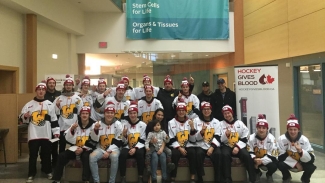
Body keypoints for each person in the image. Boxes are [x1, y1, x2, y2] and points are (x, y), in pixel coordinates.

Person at [19, 82, 60, 183]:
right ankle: (31, 174)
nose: (41, 91)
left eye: (43, 90)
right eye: (39, 90)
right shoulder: (29, 105)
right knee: (33, 155)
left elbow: (54, 120)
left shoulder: (50, 105)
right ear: (36, 91)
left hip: (46, 134)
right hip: (33, 135)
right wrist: (25, 116)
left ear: (45, 91)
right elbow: (20, 118)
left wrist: (56, 132)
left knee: (46, 154)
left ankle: (48, 171)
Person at [52, 106, 95, 183]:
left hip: (87, 149)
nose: (84, 115)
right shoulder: (75, 124)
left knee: (86, 157)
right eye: (83, 114)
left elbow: (94, 141)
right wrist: (71, 130)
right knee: (61, 156)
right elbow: (68, 139)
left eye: (86, 113)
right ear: (80, 115)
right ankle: (57, 179)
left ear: (89, 115)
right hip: (75, 147)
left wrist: (83, 149)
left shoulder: (94, 125)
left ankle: (86, 179)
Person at [219, 105, 256, 183]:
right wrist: (226, 135)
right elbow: (220, 140)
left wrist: (238, 147)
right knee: (224, 155)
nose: (227, 115)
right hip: (226, 145)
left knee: (246, 155)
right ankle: (227, 178)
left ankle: (253, 179)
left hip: (239, 144)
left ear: (232, 113)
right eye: (225, 114)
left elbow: (245, 136)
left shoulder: (239, 123)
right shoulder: (221, 124)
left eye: (228, 113)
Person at [89, 103, 124, 183]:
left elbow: (119, 140)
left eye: (111, 113)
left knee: (114, 157)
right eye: (107, 113)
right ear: (104, 114)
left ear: (114, 114)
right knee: (92, 157)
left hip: (114, 148)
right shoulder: (97, 124)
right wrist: (96, 130)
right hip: (101, 148)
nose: (109, 115)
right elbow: (94, 140)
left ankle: (112, 181)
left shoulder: (118, 124)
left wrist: (108, 151)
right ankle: (96, 181)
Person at [278, 114, 316, 183]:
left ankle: (305, 179)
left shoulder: (304, 140)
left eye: (295, 129)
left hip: (302, 162)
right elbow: (280, 156)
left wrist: (301, 151)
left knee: (311, 167)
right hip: (289, 162)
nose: (292, 132)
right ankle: (286, 177)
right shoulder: (281, 139)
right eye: (290, 129)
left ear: (298, 130)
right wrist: (295, 163)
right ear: (287, 129)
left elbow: (311, 158)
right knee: (279, 164)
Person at [168, 101, 199, 183]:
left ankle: (192, 176)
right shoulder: (171, 122)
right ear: (176, 111)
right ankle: (173, 177)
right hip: (176, 145)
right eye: (179, 110)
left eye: (183, 110)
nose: (181, 112)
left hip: (188, 144)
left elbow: (193, 140)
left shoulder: (191, 121)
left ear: (186, 111)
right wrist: (179, 148)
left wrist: (192, 129)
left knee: (192, 152)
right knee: (175, 154)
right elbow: (171, 138)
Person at [193, 101, 222, 183]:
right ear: (201, 111)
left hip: (212, 145)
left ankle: (218, 179)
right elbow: (193, 138)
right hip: (200, 145)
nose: (206, 111)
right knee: (198, 154)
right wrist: (201, 133)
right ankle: (200, 178)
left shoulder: (216, 122)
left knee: (218, 154)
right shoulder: (196, 121)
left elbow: (218, 136)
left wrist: (212, 148)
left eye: (208, 109)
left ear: (211, 110)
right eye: (204, 109)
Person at [54, 75, 83, 153]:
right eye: (67, 85)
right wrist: (56, 106)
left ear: (72, 86)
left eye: (70, 85)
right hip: (62, 126)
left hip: (74, 126)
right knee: (62, 146)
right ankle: (61, 163)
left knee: (73, 146)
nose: (68, 86)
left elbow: (81, 112)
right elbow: (54, 113)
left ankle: (72, 163)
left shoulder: (77, 98)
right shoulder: (59, 98)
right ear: (64, 86)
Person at [119, 103, 147, 183]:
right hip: (128, 146)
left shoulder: (143, 125)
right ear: (128, 114)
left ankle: (140, 177)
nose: (132, 115)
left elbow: (143, 139)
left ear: (137, 114)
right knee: (122, 155)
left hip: (139, 147)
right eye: (131, 113)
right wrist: (124, 135)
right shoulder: (124, 125)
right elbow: (123, 142)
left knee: (140, 154)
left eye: (134, 113)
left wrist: (135, 148)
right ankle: (123, 177)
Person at [247, 114, 278, 183]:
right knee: (247, 160)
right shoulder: (251, 138)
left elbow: (272, 154)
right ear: (257, 128)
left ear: (267, 129)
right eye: (259, 127)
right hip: (255, 159)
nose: (261, 130)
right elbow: (249, 151)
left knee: (275, 165)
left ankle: (269, 174)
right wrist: (255, 159)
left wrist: (261, 160)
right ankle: (257, 173)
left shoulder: (272, 138)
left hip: (267, 159)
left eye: (264, 128)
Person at [44, 77, 61, 167]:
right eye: (50, 83)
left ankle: (55, 163)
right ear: (47, 84)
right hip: (45, 122)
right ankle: (45, 163)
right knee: (46, 144)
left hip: (56, 122)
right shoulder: (44, 94)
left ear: (55, 84)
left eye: (53, 83)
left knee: (55, 143)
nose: (51, 84)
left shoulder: (59, 94)